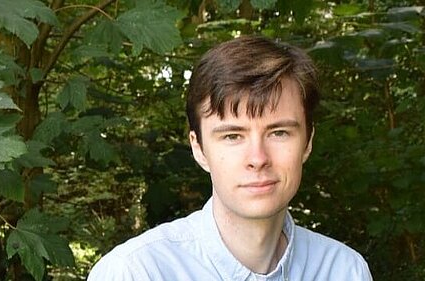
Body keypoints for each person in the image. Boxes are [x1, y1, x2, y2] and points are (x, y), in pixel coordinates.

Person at [87, 35, 373, 281]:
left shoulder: (344, 270)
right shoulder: (137, 272)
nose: (258, 158)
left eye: (279, 133)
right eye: (232, 136)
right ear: (198, 148)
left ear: (308, 142)